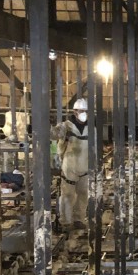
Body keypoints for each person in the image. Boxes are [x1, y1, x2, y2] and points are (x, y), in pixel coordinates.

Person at [52, 98, 90, 230]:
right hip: (70, 167)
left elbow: (95, 147)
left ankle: (79, 219)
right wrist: (55, 129)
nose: (83, 113)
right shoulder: (66, 126)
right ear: (74, 112)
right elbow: (55, 135)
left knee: (83, 194)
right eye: (80, 111)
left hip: (86, 167)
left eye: (85, 111)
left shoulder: (91, 128)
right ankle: (66, 221)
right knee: (67, 194)